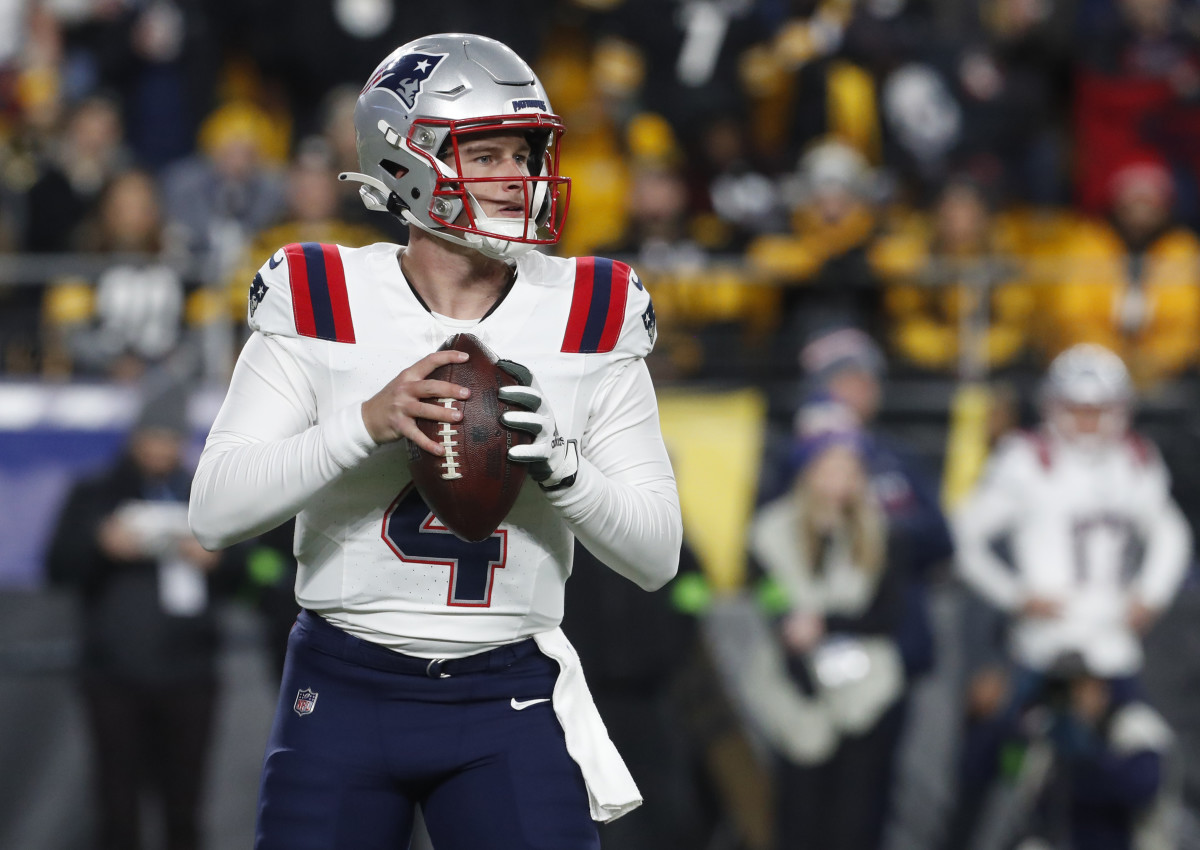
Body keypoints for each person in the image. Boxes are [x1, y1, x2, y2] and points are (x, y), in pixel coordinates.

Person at [187, 33, 682, 850]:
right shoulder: (323, 294)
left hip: (510, 693)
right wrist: (365, 425)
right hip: (342, 686)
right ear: (405, 160)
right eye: (485, 153)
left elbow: (656, 555)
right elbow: (214, 512)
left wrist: (560, 465)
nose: (517, 176)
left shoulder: (593, 305)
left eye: (523, 154)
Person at [944, 342, 1191, 849]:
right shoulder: (1026, 459)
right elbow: (964, 535)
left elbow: (1171, 532)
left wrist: (1152, 593)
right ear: (1053, 406)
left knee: (1143, 771)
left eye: (1098, 409)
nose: (1086, 421)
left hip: (1110, 649)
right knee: (993, 772)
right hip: (1042, 649)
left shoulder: (1135, 462)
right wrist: (1016, 594)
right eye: (1076, 408)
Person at [45, 383, 227, 850]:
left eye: (170, 437)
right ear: (135, 438)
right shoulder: (95, 495)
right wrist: (100, 544)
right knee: (117, 807)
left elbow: (252, 574)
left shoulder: (203, 496)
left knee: (184, 809)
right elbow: (57, 564)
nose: (160, 447)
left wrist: (218, 559)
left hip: (190, 672)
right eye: (152, 436)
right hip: (115, 675)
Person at [745, 425, 907, 850]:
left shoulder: (874, 532)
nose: (841, 479)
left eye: (850, 469)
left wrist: (827, 624)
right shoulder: (772, 530)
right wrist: (792, 629)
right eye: (831, 467)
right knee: (799, 809)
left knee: (855, 814)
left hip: (863, 684)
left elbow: (888, 612)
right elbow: (767, 597)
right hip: (793, 681)